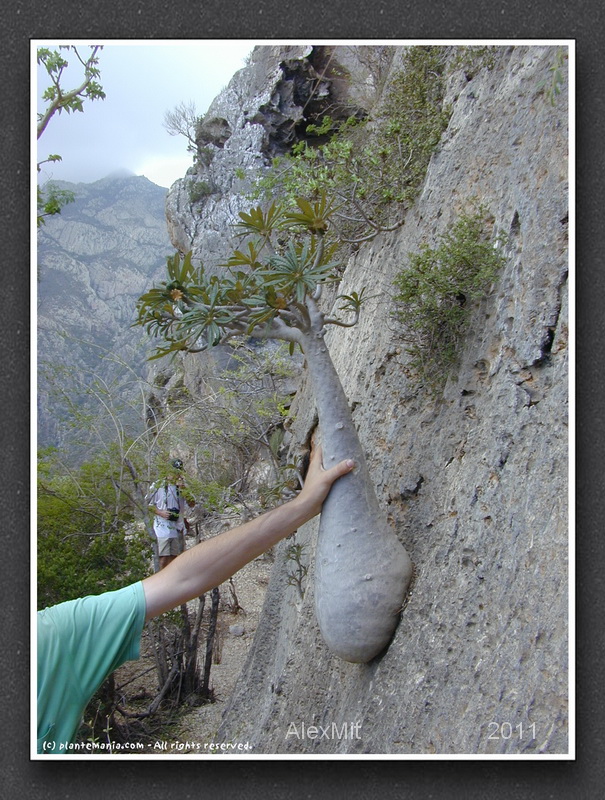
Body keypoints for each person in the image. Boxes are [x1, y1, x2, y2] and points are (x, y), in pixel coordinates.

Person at [36, 445, 355, 754]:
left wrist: (303, 506)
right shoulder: (53, 639)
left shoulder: (51, 641)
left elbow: (184, 576)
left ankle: (163, 601)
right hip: (163, 529)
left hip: (174, 532)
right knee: (165, 564)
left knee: (171, 570)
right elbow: (154, 513)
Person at [146, 459, 191, 570]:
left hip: (177, 527)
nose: (177, 474)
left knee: (175, 558)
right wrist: (160, 512)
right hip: (161, 527)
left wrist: (183, 490)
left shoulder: (183, 486)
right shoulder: (158, 485)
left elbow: (192, 503)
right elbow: (147, 504)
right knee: (163, 558)